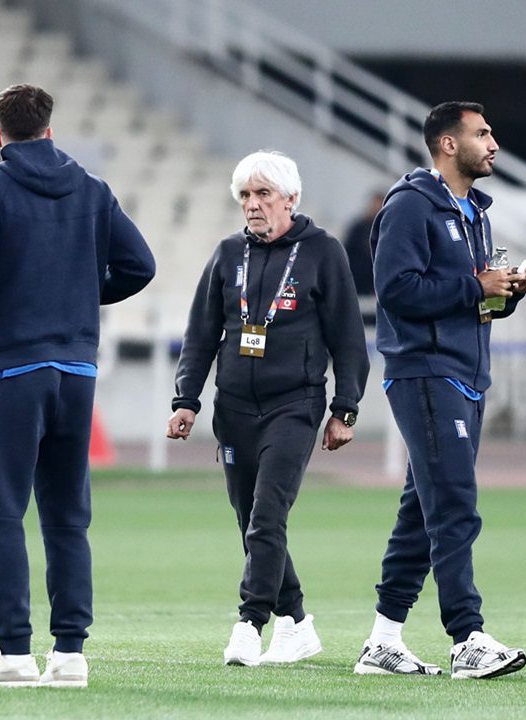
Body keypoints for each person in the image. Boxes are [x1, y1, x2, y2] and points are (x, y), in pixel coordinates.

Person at [0, 84, 155, 688]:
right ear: (50, 130)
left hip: (10, 369)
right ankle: (69, 655)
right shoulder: (91, 188)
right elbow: (140, 265)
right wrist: (80, 297)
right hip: (77, 372)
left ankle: (13, 652)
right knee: (66, 517)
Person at [355, 101, 526, 679]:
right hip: (425, 371)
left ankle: (383, 641)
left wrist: (506, 292)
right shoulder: (410, 205)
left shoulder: (474, 212)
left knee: (423, 510)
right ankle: (467, 637)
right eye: (482, 134)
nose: (494, 144)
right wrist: (475, 285)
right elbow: (396, 291)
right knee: (455, 503)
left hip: (465, 374)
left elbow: (474, 302)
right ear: (448, 145)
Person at [166, 150, 369, 667]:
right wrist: (186, 400)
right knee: (250, 521)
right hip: (233, 409)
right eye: (245, 196)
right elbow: (200, 335)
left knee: (267, 514)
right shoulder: (227, 253)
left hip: (295, 404)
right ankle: (295, 621)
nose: (252, 205)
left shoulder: (323, 252)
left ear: (291, 198)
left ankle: (249, 623)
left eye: (263, 194)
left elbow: (349, 339)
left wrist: (345, 408)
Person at [342, 189, 383, 323]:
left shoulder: (387, 229)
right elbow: (347, 253)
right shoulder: (358, 227)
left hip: (376, 286)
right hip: (357, 282)